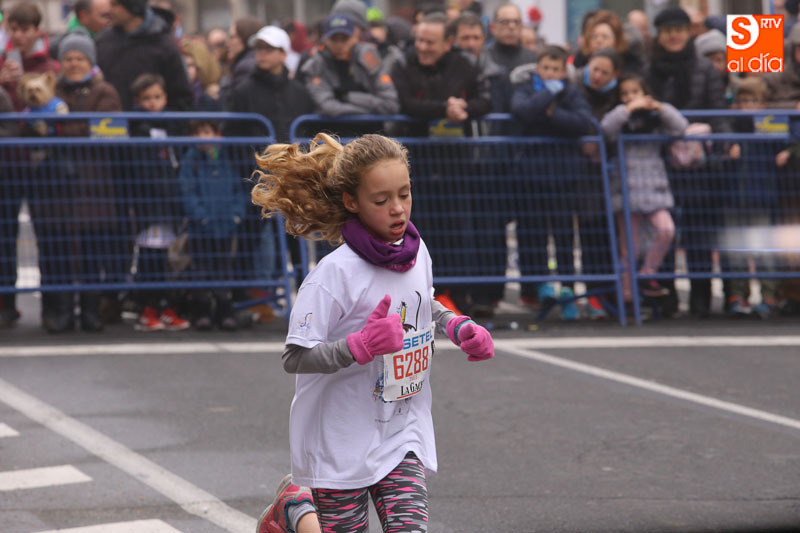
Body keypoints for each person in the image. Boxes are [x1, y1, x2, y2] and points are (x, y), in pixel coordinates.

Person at [250, 132, 494, 533]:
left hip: (401, 431)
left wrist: (456, 323)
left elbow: (422, 301)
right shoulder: (334, 275)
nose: (397, 209)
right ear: (352, 202)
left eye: (404, 194)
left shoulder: (416, 252)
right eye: (381, 201)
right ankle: (294, 508)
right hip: (340, 438)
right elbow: (294, 357)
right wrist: (360, 346)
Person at [646, 5, 731, 318]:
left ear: (688, 33)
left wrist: (725, 143)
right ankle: (665, 297)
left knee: (699, 231)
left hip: (699, 163)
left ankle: (701, 297)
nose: (674, 36)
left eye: (679, 30)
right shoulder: (649, 68)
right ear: (659, 35)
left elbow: (717, 110)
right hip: (660, 160)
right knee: (663, 232)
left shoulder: (704, 67)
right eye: (668, 31)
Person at [510, 45, 594, 317]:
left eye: (556, 70)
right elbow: (521, 111)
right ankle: (541, 287)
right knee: (534, 233)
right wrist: (548, 95)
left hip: (564, 176)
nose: (550, 73)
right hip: (531, 175)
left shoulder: (572, 92)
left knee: (564, 234)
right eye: (546, 68)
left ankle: (568, 289)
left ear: (564, 71)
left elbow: (582, 122)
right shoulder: (526, 88)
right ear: (538, 68)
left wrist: (552, 114)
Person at [52, 31, 124, 332]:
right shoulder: (53, 89)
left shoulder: (105, 91)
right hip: (58, 185)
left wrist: (61, 127)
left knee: (93, 251)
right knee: (61, 252)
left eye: (80, 58)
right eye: (68, 58)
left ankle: (91, 310)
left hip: (95, 183)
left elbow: (109, 131)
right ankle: (63, 311)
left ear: (90, 61)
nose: (73, 63)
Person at [601, 74, 686, 304]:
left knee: (666, 230)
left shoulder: (655, 119)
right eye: (625, 94)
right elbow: (606, 128)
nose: (630, 97)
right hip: (626, 190)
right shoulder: (621, 119)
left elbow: (681, 127)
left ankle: (648, 274)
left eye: (635, 92)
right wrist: (628, 109)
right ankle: (628, 297)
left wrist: (660, 107)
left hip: (654, 188)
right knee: (629, 248)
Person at [127, 73, 190, 331]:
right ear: (138, 101)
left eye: (157, 97)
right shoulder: (137, 128)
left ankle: (166, 306)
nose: (153, 103)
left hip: (171, 202)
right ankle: (148, 307)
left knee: (169, 260)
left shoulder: (173, 125)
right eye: (147, 99)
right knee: (149, 259)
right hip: (150, 203)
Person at [177, 119, 245, 331]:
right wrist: (201, 217)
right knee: (201, 268)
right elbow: (188, 193)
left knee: (223, 268)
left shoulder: (225, 159)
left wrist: (236, 215)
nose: (202, 137)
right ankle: (202, 310)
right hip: (201, 227)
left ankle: (224, 309)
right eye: (197, 133)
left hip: (226, 225)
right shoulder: (190, 161)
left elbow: (238, 190)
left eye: (206, 132)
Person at [724, 77, 781, 318]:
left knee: (763, 250)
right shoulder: (730, 126)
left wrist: (786, 151)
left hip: (761, 196)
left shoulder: (769, 124)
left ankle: (769, 296)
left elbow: (787, 139)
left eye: (754, 101)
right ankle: (738, 296)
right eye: (744, 101)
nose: (749, 106)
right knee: (737, 250)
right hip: (734, 196)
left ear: (763, 103)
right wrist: (728, 148)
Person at [95, 0, 192, 111]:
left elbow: (181, 97)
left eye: (115, 5)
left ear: (133, 6)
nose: (109, 10)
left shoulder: (164, 45)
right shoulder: (103, 42)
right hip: (109, 120)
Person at [300, 13, 399, 117]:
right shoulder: (316, 64)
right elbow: (328, 107)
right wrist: (366, 112)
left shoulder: (368, 58)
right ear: (325, 40)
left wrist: (347, 97)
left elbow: (390, 104)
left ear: (354, 38)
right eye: (334, 39)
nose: (339, 45)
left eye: (345, 38)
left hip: (370, 126)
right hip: (330, 126)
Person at [0, 1, 61, 111]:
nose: (18, 35)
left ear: (37, 31)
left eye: (24, 30)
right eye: (13, 29)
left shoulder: (52, 68)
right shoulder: (2, 63)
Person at [451, 12, 511, 113]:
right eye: (465, 38)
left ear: (483, 39)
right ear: (454, 40)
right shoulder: (444, 71)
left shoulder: (498, 74)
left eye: (476, 38)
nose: (471, 44)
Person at [573, 10, 644, 75]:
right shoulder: (579, 68)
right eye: (594, 37)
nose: (599, 41)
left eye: (605, 37)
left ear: (617, 41)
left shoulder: (632, 69)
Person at [218, 16, 262, 105]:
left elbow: (231, 102)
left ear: (247, 39)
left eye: (232, 37)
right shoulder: (244, 62)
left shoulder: (245, 67)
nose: (227, 43)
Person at [486, 3, 537, 73]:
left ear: (521, 27)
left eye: (516, 22)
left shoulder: (532, 59)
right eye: (505, 22)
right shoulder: (483, 57)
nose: (511, 26)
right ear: (493, 27)